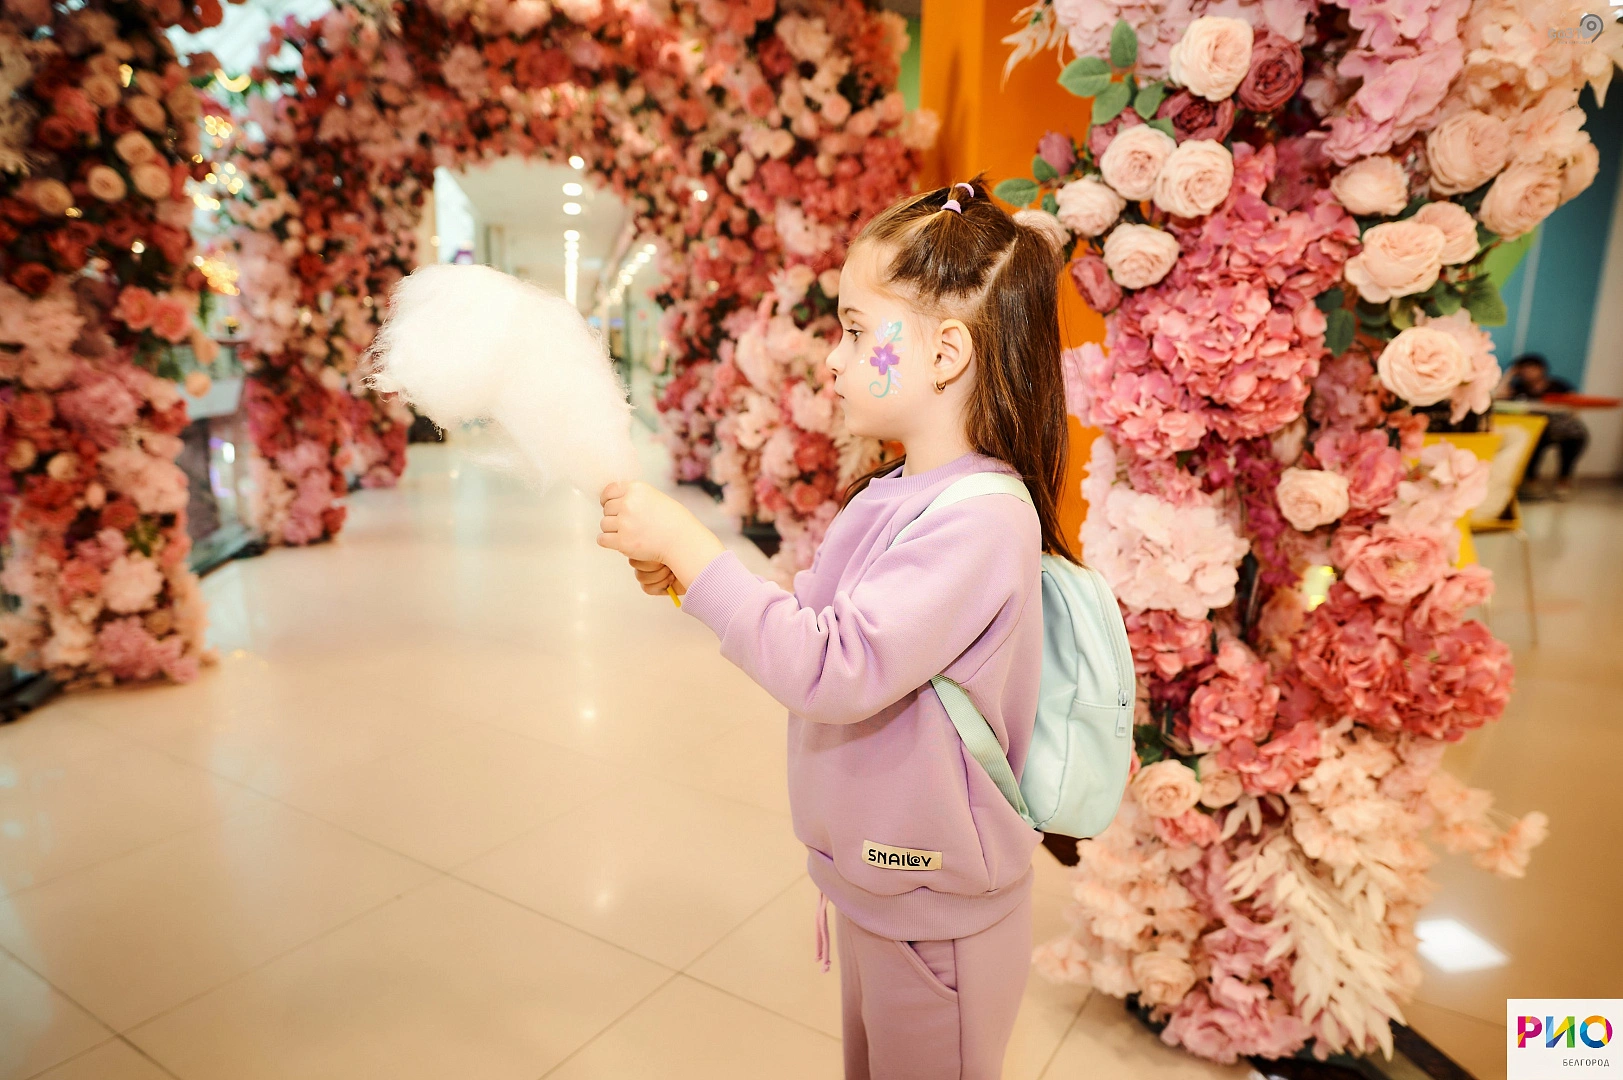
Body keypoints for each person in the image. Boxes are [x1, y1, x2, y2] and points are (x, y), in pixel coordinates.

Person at [597, 179, 1074, 1080]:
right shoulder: (896, 492)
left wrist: (694, 550)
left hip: (933, 909)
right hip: (880, 885)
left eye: (856, 332)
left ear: (946, 354)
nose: (831, 358)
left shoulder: (981, 519)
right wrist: (685, 580)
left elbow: (832, 667)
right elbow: (817, 621)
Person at [1499, 352, 1589, 499]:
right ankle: (1530, 481)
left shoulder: (1557, 385)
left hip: (1561, 427)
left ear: (1541, 369)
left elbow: (1576, 403)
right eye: (1523, 369)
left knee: (1576, 435)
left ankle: (1563, 480)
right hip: (1535, 428)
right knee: (1533, 438)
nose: (1527, 372)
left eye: (1531, 368)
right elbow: (1499, 396)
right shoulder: (1520, 388)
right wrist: (1509, 375)